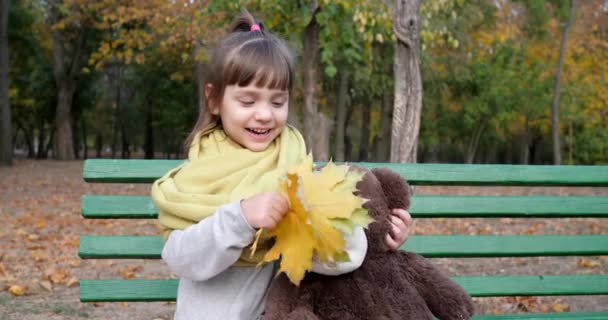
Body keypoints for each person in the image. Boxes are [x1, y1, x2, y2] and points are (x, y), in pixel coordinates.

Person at [150, 12, 413, 320]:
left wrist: (374, 235)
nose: (264, 115)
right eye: (248, 102)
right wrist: (240, 218)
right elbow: (181, 258)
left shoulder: (295, 167)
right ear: (214, 100)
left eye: (277, 102)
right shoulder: (198, 175)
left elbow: (334, 260)